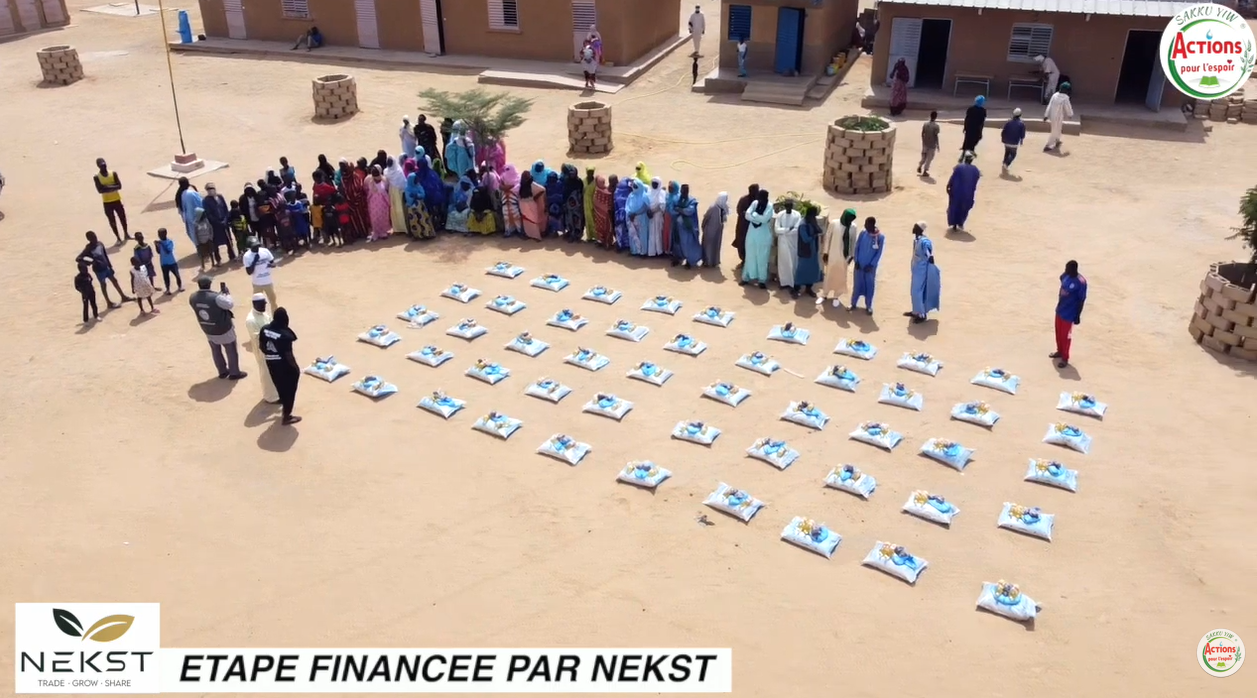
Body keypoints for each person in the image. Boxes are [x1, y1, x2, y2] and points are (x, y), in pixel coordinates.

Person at [190, 276, 247, 380]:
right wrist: (226, 294)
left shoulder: (192, 297)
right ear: (209, 284)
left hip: (207, 328)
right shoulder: (216, 297)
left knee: (215, 350)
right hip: (223, 328)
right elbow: (229, 304)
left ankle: (222, 372)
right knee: (231, 350)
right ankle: (234, 373)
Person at [260, 307, 301, 425]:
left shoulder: (264, 329)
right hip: (285, 366)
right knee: (290, 390)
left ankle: (283, 401)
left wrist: (271, 355)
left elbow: (262, 347)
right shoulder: (285, 335)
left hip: (271, 364)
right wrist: (296, 369)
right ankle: (287, 416)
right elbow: (288, 355)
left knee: (279, 386)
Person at [77, 231, 130, 308]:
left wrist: (110, 266)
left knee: (114, 281)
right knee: (103, 285)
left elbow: (105, 255)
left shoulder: (100, 244)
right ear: (89, 239)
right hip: (99, 270)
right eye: (92, 238)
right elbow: (78, 258)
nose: (95, 238)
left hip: (106, 267)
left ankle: (123, 296)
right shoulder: (88, 248)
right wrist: (91, 262)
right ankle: (108, 302)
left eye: (95, 236)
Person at [817, 208, 856, 308]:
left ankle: (836, 296)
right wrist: (825, 252)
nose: (850, 221)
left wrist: (851, 255)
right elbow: (828, 237)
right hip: (832, 255)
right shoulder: (834, 223)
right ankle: (824, 295)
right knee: (829, 275)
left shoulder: (853, 227)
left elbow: (853, 242)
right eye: (849, 218)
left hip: (844, 257)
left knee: (841, 277)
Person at [245, 294, 280, 404]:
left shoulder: (263, 313)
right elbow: (257, 337)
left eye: (264, 304)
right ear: (254, 304)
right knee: (267, 374)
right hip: (262, 351)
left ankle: (277, 393)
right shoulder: (251, 320)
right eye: (262, 304)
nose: (264, 306)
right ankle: (270, 397)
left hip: (272, 348)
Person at [1052, 260, 1087, 369]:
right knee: (1058, 333)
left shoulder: (1081, 282)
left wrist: (1078, 315)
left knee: (1066, 336)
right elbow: (1061, 278)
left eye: (1067, 268)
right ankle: (1059, 351)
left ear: (1073, 270)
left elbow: (1081, 300)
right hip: (1060, 309)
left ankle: (1065, 358)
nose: (1065, 270)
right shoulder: (1065, 275)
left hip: (1069, 314)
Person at [905, 222, 940, 323]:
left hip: (921, 271)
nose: (913, 228)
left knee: (917, 292)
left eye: (915, 226)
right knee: (914, 291)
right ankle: (916, 311)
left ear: (919, 229)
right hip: (916, 269)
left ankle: (921, 315)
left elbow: (928, 252)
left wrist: (930, 257)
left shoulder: (924, 241)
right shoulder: (917, 240)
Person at [850, 217, 884, 315]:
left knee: (869, 286)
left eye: (867, 224)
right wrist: (856, 260)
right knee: (857, 285)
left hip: (870, 268)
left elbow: (879, 253)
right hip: (859, 266)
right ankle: (853, 304)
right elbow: (857, 247)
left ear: (872, 225)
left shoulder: (880, 237)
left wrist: (872, 265)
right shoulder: (863, 233)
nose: (865, 226)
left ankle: (868, 306)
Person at [741, 190, 773, 288]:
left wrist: (754, 215)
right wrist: (757, 218)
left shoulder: (769, 206)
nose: (759, 200)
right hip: (752, 233)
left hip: (763, 235)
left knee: (762, 258)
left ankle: (762, 280)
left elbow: (765, 219)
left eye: (761, 198)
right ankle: (746, 278)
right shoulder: (755, 203)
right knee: (750, 255)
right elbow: (747, 215)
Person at [93, 158, 129, 243]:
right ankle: (118, 238)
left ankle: (126, 234)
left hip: (117, 200)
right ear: (98, 166)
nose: (104, 167)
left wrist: (106, 187)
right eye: (102, 166)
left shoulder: (113, 173)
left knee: (123, 218)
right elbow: (100, 190)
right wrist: (113, 186)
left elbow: (119, 186)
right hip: (107, 202)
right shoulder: (97, 177)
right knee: (112, 221)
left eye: (104, 165)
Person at [946, 151, 981, 232]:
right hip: (968, 192)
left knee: (954, 206)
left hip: (957, 191)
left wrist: (948, 186)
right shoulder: (975, 169)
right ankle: (960, 222)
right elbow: (976, 179)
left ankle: (954, 223)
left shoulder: (959, 167)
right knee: (964, 207)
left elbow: (953, 177)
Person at [774, 199, 803, 296]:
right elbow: (776, 229)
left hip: (793, 242)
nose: (788, 208)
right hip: (782, 242)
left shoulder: (797, 215)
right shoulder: (780, 215)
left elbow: (796, 229)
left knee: (793, 262)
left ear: (792, 206)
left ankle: (793, 283)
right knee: (783, 263)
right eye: (787, 206)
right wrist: (787, 229)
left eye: (790, 206)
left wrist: (784, 231)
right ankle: (784, 282)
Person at [794, 207, 823, 297]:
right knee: (802, 270)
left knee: (812, 270)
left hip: (813, 251)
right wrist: (814, 235)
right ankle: (796, 289)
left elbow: (819, 230)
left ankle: (808, 288)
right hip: (805, 252)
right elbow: (805, 238)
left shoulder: (812, 221)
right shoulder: (802, 224)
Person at [202, 183, 235, 262]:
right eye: (209, 189)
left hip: (224, 223)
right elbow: (209, 214)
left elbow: (225, 208)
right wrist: (218, 222)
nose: (211, 190)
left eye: (212, 188)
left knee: (228, 240)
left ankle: (232, 256)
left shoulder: (220, 197)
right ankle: (218, 259)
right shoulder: (205, 201)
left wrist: (226, 219)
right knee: (215, 243)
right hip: (215, 226)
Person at [674, 184, 702, 269]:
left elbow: (689, 211)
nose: (683, 193)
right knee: (679, 243)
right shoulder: (679, 199)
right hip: (679, 227)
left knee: (689, 245)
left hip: (688, 228)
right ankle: (679, 258)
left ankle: (690, 262)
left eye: (684, 191)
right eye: (682, 191)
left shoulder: (691, 201)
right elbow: (674, 207)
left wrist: (680, 210)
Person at [242, 239, 277, 307]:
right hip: (257, 284)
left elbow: (273, 263)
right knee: (258, 304)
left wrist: (271, 265)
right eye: (254, 247)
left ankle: (274, 313)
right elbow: (249, 272)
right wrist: (255, 261)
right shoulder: (247, 256)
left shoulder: (265, 251)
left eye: (257, 246)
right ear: (250, 247)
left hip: (268, 282)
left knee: (273, 301)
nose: (257, 248)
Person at [404, 171, 436, 240]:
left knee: (423, 219)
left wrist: (417, 195)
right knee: (414, 221)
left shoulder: (418, 186)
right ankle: (418, 235)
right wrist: (413, 199)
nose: (417, 180)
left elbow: (423, 194)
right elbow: (408, 199)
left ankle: (427, 233)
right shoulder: (407, 188)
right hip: (412, 208)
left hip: (420, 206)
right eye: (415, 179)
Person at [733, 184, 758, 269]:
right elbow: (739, 211)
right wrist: (746, 215)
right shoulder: (744, 200)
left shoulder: (759, 201)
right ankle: (744, 260)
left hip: (754, 227)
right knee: (741, 243)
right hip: (743, 226)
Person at [700, 191, 728, 268]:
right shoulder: (713, 207)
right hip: (710, 230)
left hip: (718, 231)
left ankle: (714, 261)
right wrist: (703, 226)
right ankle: (707, 262)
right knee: (708, 246)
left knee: (716, 245)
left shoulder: (724, 207)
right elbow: (706, 217)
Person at [1044, 83, 1074, 153]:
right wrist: (1070, 114)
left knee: (1058, 128)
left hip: (1054, 116)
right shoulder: (1065, 98)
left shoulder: (1055, 95)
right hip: (1058, 116)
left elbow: (1049, 105)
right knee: (1054, 130)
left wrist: (1046, 115)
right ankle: (1049, 145)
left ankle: (1057, 140)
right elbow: (1068, 107)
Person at [517, 170, 546, 242]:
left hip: (527, 204)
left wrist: (535, 197)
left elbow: (542, 190)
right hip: (527, 204)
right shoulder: (525, 184)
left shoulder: (528, 184)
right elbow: (542, 189)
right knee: (529, 220)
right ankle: (532, 235)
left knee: (532, 220)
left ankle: (536, 236)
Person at [365, 166, 392, 240]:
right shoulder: (372, 181)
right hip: (377, 204)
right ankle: (379, 232)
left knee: (379, 218)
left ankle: (381, 232)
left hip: (378, 204)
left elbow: (369, 194)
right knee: (377, 218)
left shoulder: (380, 181)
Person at [625, 179, 650, 255]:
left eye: (636, 186)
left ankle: (643, 252)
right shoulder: (631, 195)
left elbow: (645, 208)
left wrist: (635, 214)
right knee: (633, 234)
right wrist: (629, 213)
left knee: (642, 235)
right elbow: (627, 205)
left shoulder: (644, 196)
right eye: (634, 186)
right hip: (631, 218)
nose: (634, 187)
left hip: (641, 219)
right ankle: (634, 250)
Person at [154, 228, 182, 294]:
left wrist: (161, 244)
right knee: (166, 277)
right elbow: (158, 252)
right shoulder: (160, 242)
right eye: (159, 234)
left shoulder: (169, 242)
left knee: (177, 275)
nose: (159, 236)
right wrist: (156, 246)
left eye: (161, 234)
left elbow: (168, 251)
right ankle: (168, 289)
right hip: (163, 263)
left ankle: (180, 287)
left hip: (172, 262)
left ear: (165, 234)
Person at [999, 108, 1027, 174]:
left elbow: (1003, 132)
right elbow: (1022, 135)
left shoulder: (1008, 122)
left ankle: (1004, 163)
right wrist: (1021, 141)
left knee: (1007, 152)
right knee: (1013, 154)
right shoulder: (1022, 124)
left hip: (1006, 141)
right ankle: (1006, 164)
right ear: (1020, 115)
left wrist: (1003, 139)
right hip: (1014, 142)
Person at [562, 165, 586, 242]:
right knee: (569, 220)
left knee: (578, 220)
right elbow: (565, 193)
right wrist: (564, 203)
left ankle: (578, 235)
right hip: (569, 205)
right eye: (571, 174)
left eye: (573, 174)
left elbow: (581, 193)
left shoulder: (579, 181)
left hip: (577, 205)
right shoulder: (567, 181)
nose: (572, 175)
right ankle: (571, 234)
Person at [918, 111, 940, 177]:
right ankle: (925, 171)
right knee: (929, 158)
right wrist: (938, 145)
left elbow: (922, 133)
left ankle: (920, 165)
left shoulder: (925, 124)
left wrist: (923, 141)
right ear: (936, 117)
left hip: (925, 143)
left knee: (924, 156)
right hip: (932, 145)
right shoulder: (936, 126)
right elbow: (936, 136)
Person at [582, 167, 597, 242]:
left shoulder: (595, 182)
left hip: (592, 202)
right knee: (587, 220)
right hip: (585, 202)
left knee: (594, 220)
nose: (590, 174)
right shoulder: (584, 181)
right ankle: (589, 237)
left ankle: (596, 236)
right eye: (589, 172)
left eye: (591, 172)